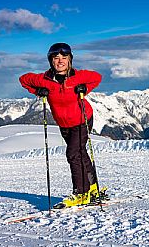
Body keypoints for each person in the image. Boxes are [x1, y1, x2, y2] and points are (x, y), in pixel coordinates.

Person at [19, 42, 102, 208]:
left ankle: (81, 193)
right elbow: (23, 79)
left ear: (70, 59)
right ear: (51, 61)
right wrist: (37, 91)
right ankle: (93, 188)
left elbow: (97, 78)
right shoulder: (43, 79)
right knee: (80, 153)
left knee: (73, 154)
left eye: (64, 57)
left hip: (82, 119)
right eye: (56, 58)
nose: (60, 61)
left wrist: (84, 88)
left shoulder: (78, 76)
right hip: (64, 124)